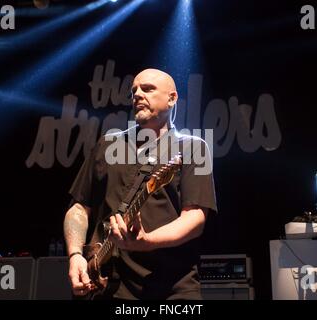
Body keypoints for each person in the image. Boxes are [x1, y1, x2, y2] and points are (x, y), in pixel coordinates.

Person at [63, 68, 217, 300]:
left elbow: (194, 218)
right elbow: (78, 208)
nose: (137, 94)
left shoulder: (193, 148)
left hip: (170, 287)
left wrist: (147, 242)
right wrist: (75, 255)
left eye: (147, 89)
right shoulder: (107, 145)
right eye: (134, 90)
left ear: (172, 98)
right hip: (106, 285)